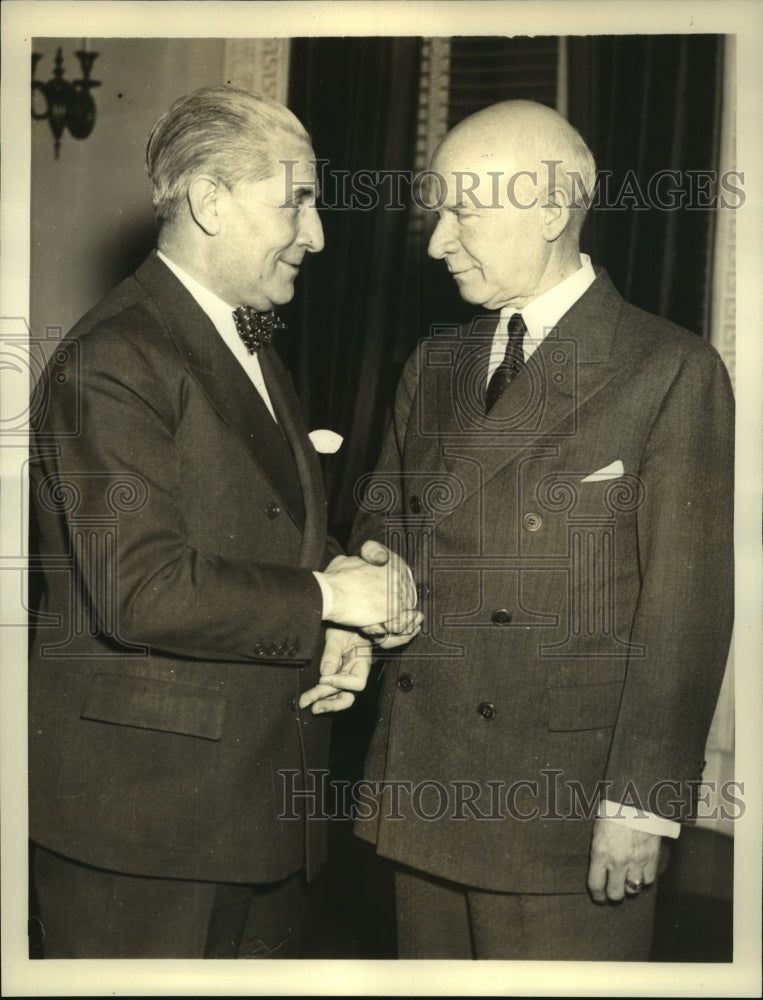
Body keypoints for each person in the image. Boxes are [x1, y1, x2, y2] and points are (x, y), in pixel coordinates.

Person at [307, 100, 734, 960]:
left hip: (564, 807)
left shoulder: (669, 369)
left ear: (548, 209)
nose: (436, 242)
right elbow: (387, 519)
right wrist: (366, 616)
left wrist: (639, 802)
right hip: (422, 780)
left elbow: (685, 610)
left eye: (461, 212)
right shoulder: (437, 362)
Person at [27, 85, 418, 959]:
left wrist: (336, 622)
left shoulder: (246, 342)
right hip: (144, 831)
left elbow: (254, 528)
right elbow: (142, 591)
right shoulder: (113, 358)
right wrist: (325, 597)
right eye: (296, 202)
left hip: (250, 813)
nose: (316, 234)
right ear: (211, 200)